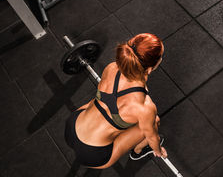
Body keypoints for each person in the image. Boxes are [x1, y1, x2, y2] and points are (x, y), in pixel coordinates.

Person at [64, 33, 167, 169]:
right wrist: (159, 151)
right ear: (149, 68)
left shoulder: (112, 67)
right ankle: (138, 151)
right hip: (92, 154)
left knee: (100, 102)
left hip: (72, 127)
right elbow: (153, 138)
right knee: (154, 122)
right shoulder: (144, 107)